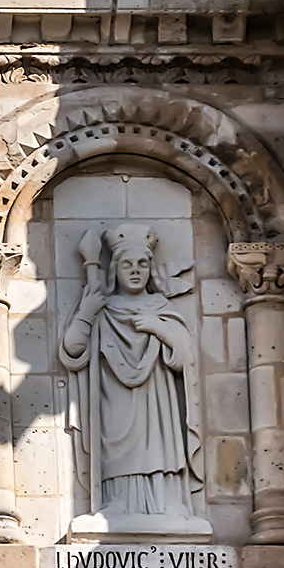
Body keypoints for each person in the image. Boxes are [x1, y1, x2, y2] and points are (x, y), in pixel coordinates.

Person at [60, 223, 203, 522]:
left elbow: (186, 358)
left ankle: (167, 500)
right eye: (127, 264)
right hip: (113, 398)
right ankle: (115, 502)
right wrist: (86, 313)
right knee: (114, 444)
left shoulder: (161, 308)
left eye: (142, 264)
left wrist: (159, 328)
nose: (135, 271)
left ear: (151, 268)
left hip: (156, 399)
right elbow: (73, 349)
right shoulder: (102, 307)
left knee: (159, 441)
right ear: (115, 269)